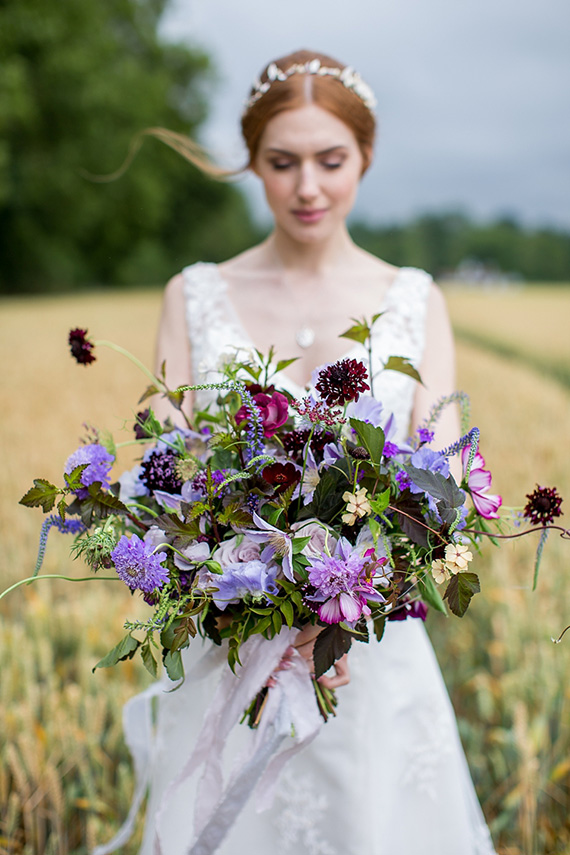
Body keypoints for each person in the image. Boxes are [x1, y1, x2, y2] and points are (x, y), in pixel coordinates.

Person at [112, 49, 497, 855]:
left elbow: (447, 487)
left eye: (331, 160)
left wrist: (341, 616)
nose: (308, 187)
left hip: (370, 656)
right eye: (282, 163)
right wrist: (245, 600)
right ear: (254, 161)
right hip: (234, 652)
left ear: (366, 156)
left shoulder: (415, 299)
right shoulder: (193, 294)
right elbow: (163, 479)